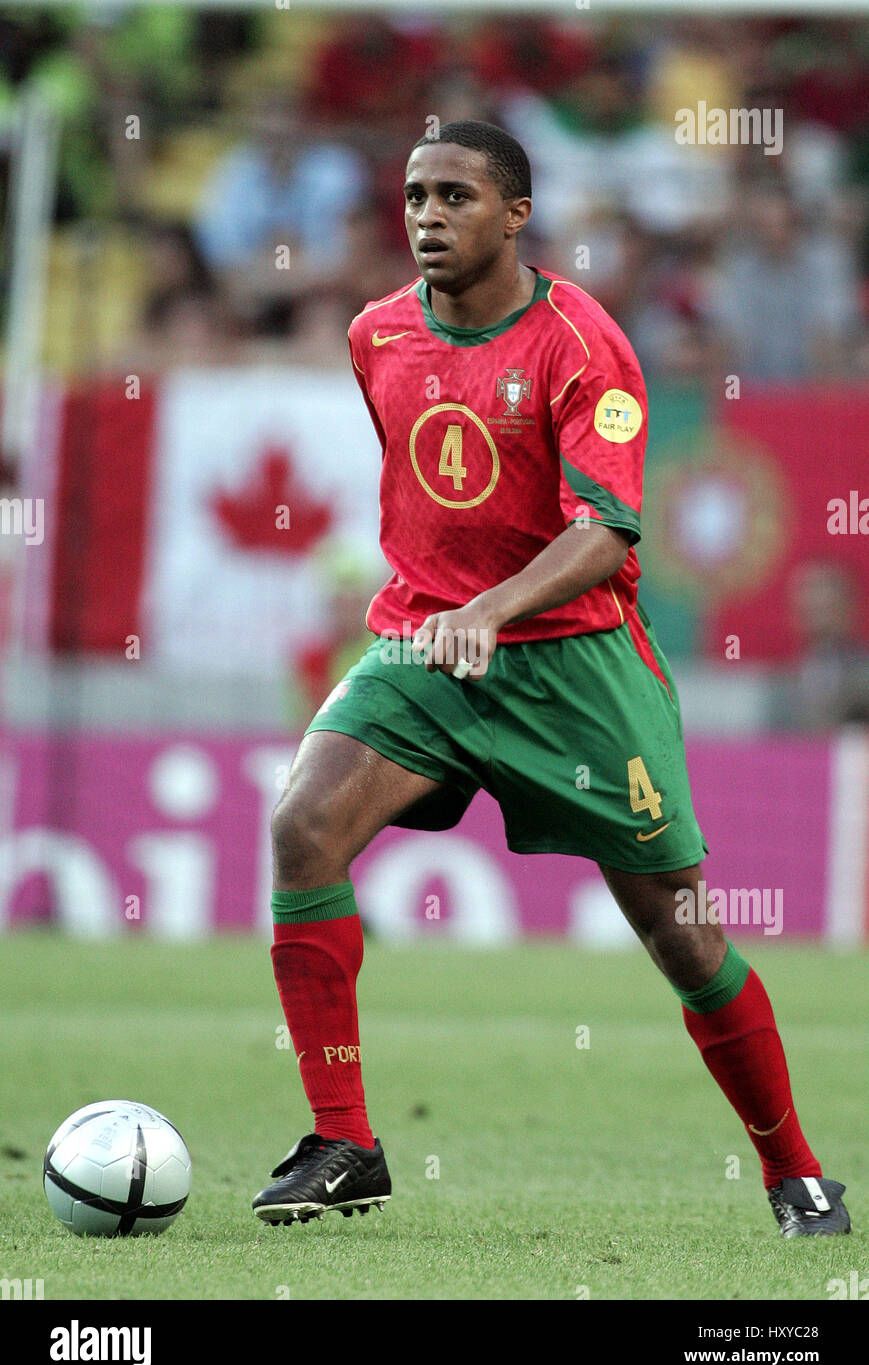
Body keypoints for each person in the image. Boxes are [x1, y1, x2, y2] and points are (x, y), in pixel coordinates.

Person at [252, 121, 850, 1239]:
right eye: (415, 195)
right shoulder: (376, 335)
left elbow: (608, 530)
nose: (427, 216)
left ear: (515, 215)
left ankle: (795, 1171)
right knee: (301, 827)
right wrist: (451, 612)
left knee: (679, 931)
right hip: (426, 645)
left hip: (572, 665)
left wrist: (492, 608)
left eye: (455, 198)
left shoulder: (582, 345)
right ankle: (345, 1142)